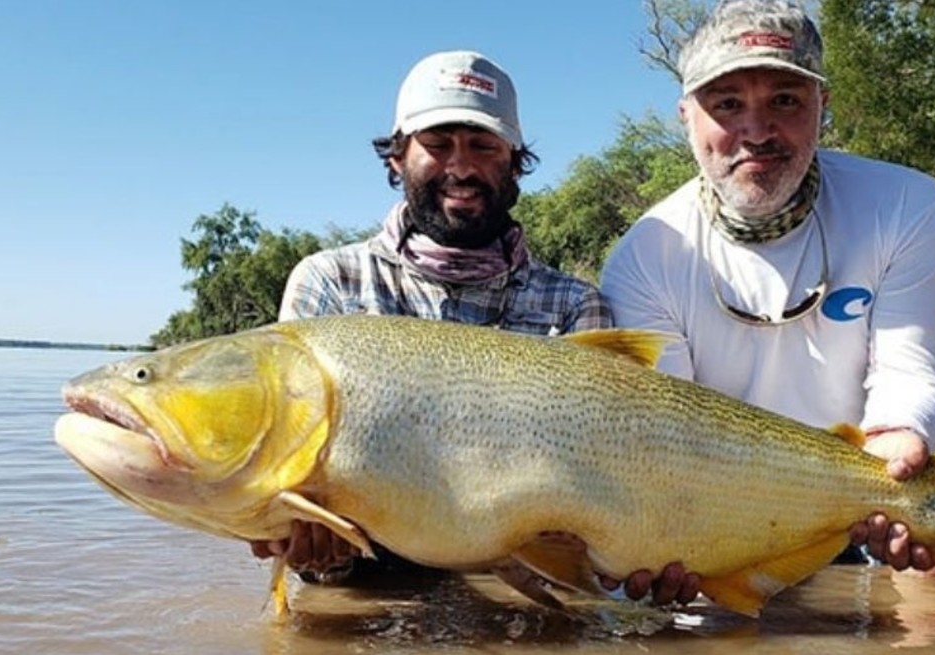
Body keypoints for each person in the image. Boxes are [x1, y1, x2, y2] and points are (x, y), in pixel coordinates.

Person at [250, 50, 698, 605]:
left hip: (526, 601)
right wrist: (316, 546)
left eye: (484, 146)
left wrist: (648, 549)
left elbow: (603, 513)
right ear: (397, 157)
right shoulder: (330, 285)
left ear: (515, 163)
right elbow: (297, 494)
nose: (461, 167)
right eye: (438, 144)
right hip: (373, 596)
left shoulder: (573, 305)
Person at [600, 0, 935, 572]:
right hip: (725, 510)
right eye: (727, 104)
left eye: (785, 100)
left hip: (878, 485)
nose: (757, 131)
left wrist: (900, 440)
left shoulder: (909, 205)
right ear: (686, 117)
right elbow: (668, 442)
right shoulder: (643, 256)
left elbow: (912, 376)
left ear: (823, 106)